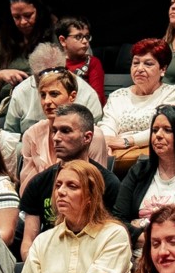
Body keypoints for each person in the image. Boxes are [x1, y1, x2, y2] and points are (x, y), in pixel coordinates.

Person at [19, 105, 119, 255]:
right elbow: (28, 242)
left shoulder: (108, 183)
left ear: (87, 137)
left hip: (91, 258)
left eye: (65, 131)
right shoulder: (38, 183)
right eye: (54, 131)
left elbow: (114, 236)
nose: (56, 138)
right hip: (49, 261)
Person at [98, 38, 175, 173]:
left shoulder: (173, 93)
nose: (139, 69)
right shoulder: (118, 95)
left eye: (148, 64)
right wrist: (106, 142)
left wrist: (128, 141)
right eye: (135, 63)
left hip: (153, 156)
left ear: (163, 69)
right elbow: (107, 124)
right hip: (115, 153)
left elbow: (164, 129)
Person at [13, 65, 111, 182]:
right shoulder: (31, 134)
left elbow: (96, 186)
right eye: (43, 95)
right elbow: (26, 189)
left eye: (54, 94)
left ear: (72, 96)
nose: (47, 101)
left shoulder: (93, 136)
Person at [114, 105, 175, 229]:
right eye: (155, 130)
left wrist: (143, 227)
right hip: (137, 246)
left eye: (167, 130)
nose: (158, 135)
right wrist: (142, 237)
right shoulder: (138, 171)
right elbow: (118, 219)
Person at [0, 0, 51, 96]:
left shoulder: (51, 38)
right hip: (1, 105)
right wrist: (0, 75)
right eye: (16, 17)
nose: (23, 22)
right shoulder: (5, 40)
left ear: (38, 11)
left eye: (28, 15)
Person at [56, 16, 104, 101]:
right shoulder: (54, 63)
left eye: (87, 36)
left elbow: (97, 98)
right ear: (63, 40)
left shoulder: (92, 62)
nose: (85, 41)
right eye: (78, 37)